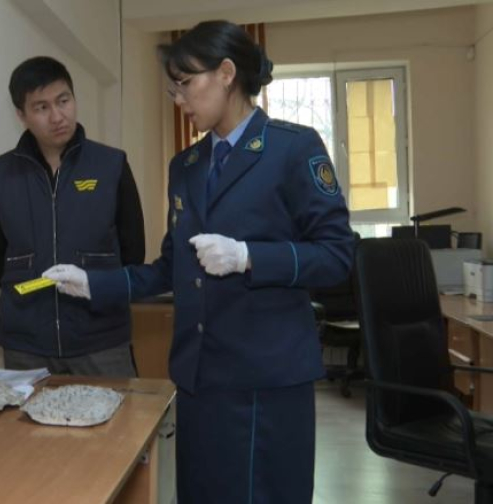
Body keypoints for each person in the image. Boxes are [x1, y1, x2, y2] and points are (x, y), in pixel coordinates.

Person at [44, 21, 353, 503]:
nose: (179, 99)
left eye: (185, 83)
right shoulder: (185, 167)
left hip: (265, 380)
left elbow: (337, 256)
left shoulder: (293, 148)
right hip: (198, 378)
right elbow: (170, 268)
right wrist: (95, 284)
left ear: (226, 73)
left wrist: (249, 257)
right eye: (174, 87)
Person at [0, 56, 145, 377]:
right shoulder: (2, 174)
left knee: (117, 426)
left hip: (101, 337)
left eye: (64, 100)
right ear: (22, 115)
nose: (57, 116)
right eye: (41, 107)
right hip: (26, 343)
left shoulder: (110, 164)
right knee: (32, 428)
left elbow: (133, 250)